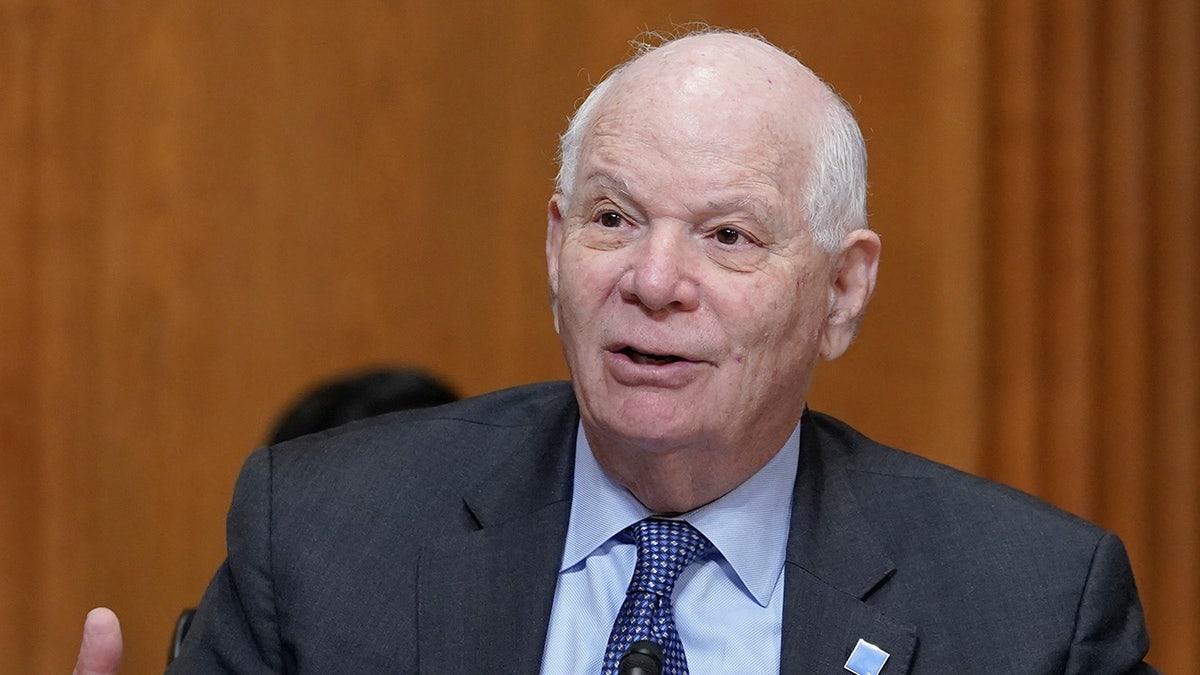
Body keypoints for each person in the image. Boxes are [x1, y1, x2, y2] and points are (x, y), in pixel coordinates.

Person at [75, 28, 1155, 674]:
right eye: (613, 218)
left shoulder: (1028, 613)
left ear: (841, 289)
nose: (652, 280)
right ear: (556, 249)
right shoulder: (322, 538)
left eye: (728, 236)